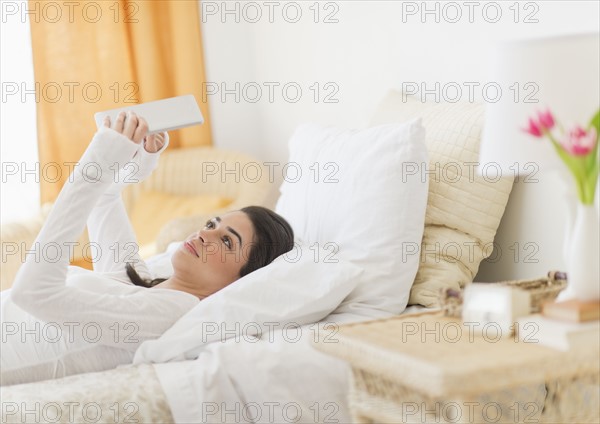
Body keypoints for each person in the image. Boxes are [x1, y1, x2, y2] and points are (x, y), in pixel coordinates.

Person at [0, 111, 294, 386]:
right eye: (212, 224)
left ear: (241, 280)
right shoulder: (144, 282)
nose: (207, 234)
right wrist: (140, 163)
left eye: (227, 241)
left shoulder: (172, 313)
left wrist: (97, 163)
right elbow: (104, 199)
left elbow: (32, 292)